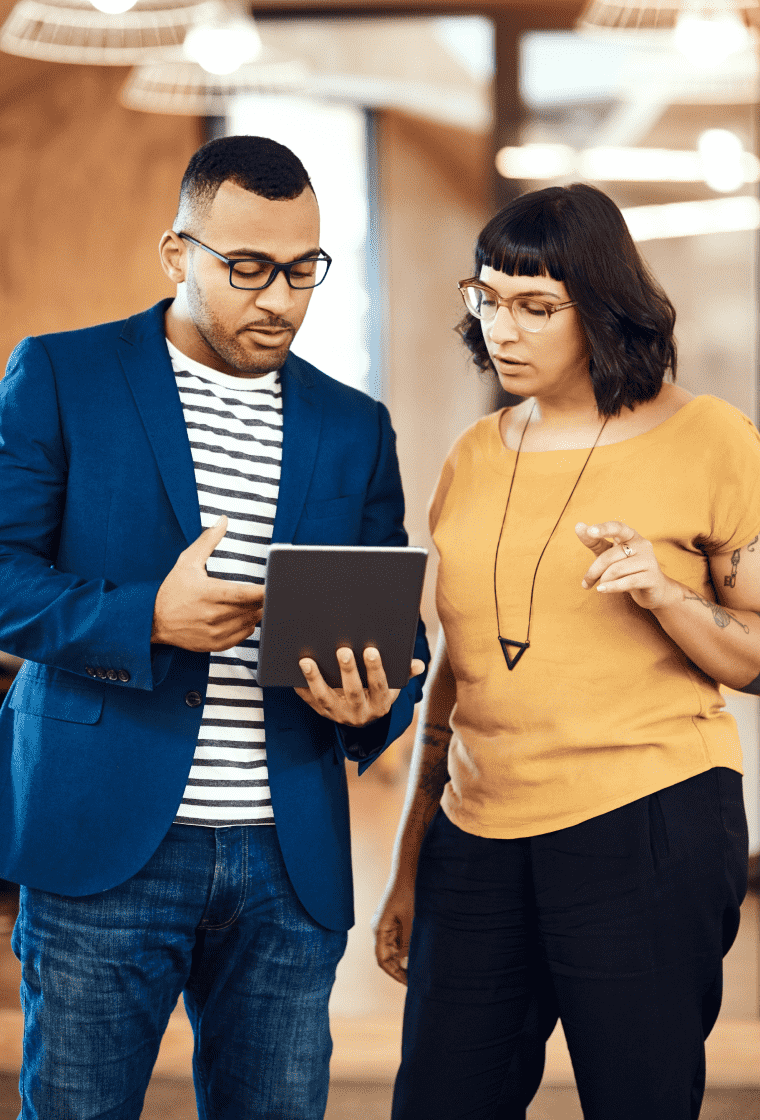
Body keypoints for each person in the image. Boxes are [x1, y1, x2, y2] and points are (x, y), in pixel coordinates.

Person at [0, 134, 429, 1120]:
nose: (280, 298)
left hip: (288, 861)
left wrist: (377, 701)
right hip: (104, 845)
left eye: (303, 270)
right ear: (174, 254)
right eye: (248, 269)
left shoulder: (353, 425)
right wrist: (145, 614)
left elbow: (395, 639)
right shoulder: (64, 376)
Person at [373, 182, 757, 1120]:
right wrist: (410, 861)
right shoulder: (472, 453)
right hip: (478, 830)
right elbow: (457, 675)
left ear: (606, 308)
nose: (503, 329)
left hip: (648, 822)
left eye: (536, 308)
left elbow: (752, 657)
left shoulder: (711, 438)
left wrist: (664, 594)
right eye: (489, 299)